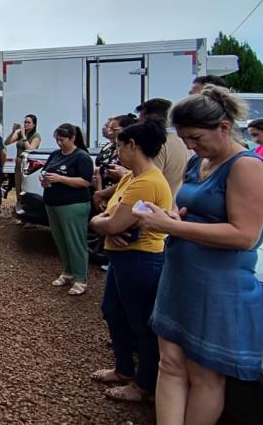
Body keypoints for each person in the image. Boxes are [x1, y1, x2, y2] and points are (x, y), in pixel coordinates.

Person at [136, 86, 263, 425]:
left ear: (224, 127)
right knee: (169, 363)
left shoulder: (247, 167)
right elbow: (190, 212)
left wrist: (173, 227)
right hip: (181, 276)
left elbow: (244, 235)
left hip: (217, 285)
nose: (189, 146)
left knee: (204, 376)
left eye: (195, 137)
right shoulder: (200, 161)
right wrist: (172, 217)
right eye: (184, 138)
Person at [88, 119, 172, 403]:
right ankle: (123, 368)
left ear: (132, 145)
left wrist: (100, 223)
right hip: (121, 257)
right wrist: (106, 222)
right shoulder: (130, 178)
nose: (117, 152)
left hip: (141, 259)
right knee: (113, 311)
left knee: (140, 323)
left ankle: (144, 384)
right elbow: (110, 218)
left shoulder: (147, 183)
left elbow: (112, 224)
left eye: (119, 147)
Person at [41, 123, 94, 296]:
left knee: (75, 241)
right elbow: (45, 170)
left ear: (73, 138)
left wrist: (60, 179)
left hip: (73, 204)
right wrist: (44, 179)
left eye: (63, 140)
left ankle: (80, 278)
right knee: (61, 240)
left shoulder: (81, 157)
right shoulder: (55, 154)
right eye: (57, 140)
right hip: (52, 202)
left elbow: (85, 181)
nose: (59, 143)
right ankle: (68, 271)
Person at [137, 98, 190, 196]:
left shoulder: (157, 144)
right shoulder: (187, 141)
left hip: (158, 203)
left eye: (140, 121)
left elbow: (149, 183)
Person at [93, 114, 137, 193]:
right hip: (103, 189)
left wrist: (103, 193)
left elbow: (133, 178)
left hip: (121, 191)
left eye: (114, 129)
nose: (110, 133)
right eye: (109, 129)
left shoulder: (133, 150)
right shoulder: (109, 147)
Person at [5, 114, 42, 197]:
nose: (26, 124)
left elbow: (30, 150)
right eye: (25, 122)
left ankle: (26, 203)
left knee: (26, 186)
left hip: (27, 166)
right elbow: (6, 142)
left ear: (34, 124)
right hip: (18, 165)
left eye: (29, 122)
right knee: (18, 186)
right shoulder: (20, 134)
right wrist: (13, 132)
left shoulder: (36, 136)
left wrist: (24, 136)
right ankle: (19, 201)